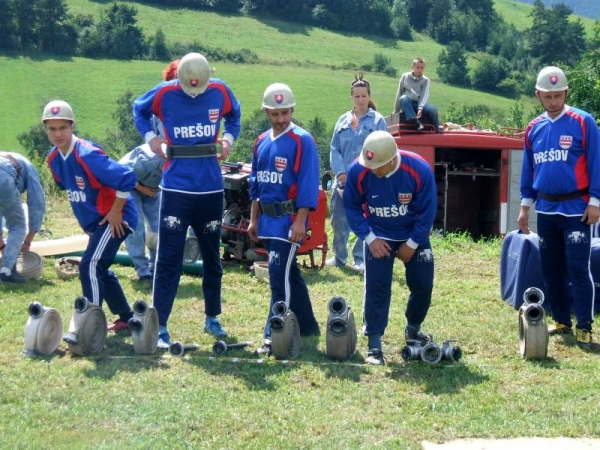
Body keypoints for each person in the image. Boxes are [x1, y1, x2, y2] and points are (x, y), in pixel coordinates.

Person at [133, 52, 241, 348]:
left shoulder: (219, 90)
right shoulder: (164, 92)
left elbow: (235, 115)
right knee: (168, 258)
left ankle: (213, 318)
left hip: (210, 189)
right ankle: (160, 325)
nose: (194, 93)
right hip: (176, 189)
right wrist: (151, 139)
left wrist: (229, 139)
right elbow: (139, 109)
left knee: (212, 256)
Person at [518, 66, 600, 350]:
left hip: (577, 210)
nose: (553, 101)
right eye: (547, 96)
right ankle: (562, 320)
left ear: (566, 92)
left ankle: (585, 326)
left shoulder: (583, 121)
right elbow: (528, 169)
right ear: (538, 95)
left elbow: (596, 162)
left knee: (578, 268)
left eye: (558, 95)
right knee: (551, 269)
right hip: (546, 210)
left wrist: (595, 201)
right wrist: (525, 206)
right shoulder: (533, 128)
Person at [343, 130, 437, 365]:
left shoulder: (419, 169)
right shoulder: (359, 170)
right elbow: (352, 207)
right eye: (368, 164)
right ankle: (374, 346)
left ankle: (413, 329)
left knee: (423, 284)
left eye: (377, 166)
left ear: (393, 160)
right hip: (378, 236)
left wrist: (412, 244)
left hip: (413, 235)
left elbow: (427, 212)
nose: (371, 170)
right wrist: (370, 238)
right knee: (377, 287)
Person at [44, 100, 137, 332]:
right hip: (96, 222)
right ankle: (127, 318)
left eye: (63, 127)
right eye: (52, 129)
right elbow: (72, 189)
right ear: (45, 130)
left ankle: (91, 326)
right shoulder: (54, 159)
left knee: (90, 265)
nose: (58, 134)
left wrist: (115, 211)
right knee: (100, 267)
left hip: (116, 217)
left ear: (72, 126)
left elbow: (127, 177)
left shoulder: (87, 154)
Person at [247, 82, 321, 356]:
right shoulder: (261, 141)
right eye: (275, 113)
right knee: (289, 273)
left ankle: (272, 335)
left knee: (278, 279)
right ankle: (309, 326)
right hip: (266, 221)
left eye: (285, 113)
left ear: (292, 110)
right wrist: (253, 219)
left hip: (289, 222)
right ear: (266, 112)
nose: (280, 119)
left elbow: (308, 184)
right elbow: (255, 184)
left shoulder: (303, 140)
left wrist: (300, 221)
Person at [326, 73, 387, 273]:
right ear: (351, 97)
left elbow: (383, 149)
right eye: (357, 96)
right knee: (338, 219)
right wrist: (341, 174)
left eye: (364, 96)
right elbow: (334, 148)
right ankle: (339, 257)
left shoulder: (378, 121)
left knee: (365, 219)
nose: (360, 100)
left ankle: (360, 259)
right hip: (342, 180)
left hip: (367, 180)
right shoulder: (342, 120)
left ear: (369, 96)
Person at [118, 144, 164, 282]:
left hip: (154, 188)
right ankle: (143, 270)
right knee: (136, 225)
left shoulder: (181, 163)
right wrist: (141, 188)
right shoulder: (150, 160)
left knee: (158, 226)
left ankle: (156, 266)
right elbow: (123, 172)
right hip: (129, 184)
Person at [0, 152, 46, 283]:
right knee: (17, 226)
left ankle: (6, 266)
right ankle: (7, 272)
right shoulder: (29, 167)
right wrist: (27, 242)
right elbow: (37, 204)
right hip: (4, 176)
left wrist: (2, 247)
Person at [393, 57, 440, 133]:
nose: (419, 70)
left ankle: (437, 128)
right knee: (403, 98)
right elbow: (399, 93)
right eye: (418, 67)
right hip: (408, 103)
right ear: (413, 67)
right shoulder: (405, 76)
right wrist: (396, 111)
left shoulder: (425, 80)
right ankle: (416, 122)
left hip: (420, 103)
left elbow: (424, 96)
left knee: (433, 109)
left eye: (422, 68)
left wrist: (420, 108)